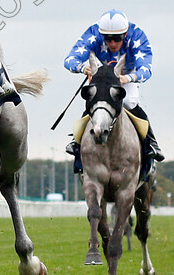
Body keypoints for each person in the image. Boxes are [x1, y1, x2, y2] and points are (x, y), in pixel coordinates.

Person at [64, 9, 164, 163]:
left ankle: (151, 142)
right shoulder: (94, 34)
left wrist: (128, 78)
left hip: (127, 74)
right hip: (103, 74)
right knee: (95, 99)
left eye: (116, 39)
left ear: (125, 34)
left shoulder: (137, 36)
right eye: (107, 39)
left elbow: (146, 69)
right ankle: (76, 142)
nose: (112, 44)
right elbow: (70, 59)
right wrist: (83, 68)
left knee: (129, 102)